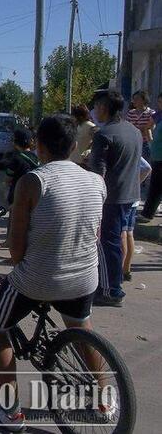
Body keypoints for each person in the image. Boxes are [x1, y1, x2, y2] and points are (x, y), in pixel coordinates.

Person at [0, 115, 107, 430]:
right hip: (86, 276)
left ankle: (9, 412)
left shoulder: (33, 181)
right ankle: (105, 398)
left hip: (39, 279)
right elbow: (94, 234)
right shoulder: (96, 181)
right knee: (81, 329)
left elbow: (16, 250)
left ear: (40, 146)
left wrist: (22, 259)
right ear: (74, 146)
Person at [89, 90, 142, 307]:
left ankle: (111, 290)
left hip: (111, 198)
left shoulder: (104, 135)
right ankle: (113, 282)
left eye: (97, 107)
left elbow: (98, 174)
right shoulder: (133, 131)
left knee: (107, 243)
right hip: (130, 195)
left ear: (104, 108)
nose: (95, 111)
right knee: (117, 241)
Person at [121, 157, 152, 282]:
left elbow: (147, 168)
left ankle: (119, 272)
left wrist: (132, 185)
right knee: (129, 234)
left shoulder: (126, 148)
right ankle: (126, 270)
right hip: (133, 197)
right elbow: (147, 168)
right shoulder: (134, 147)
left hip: (124, 196)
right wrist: (135, 185)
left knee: (122, 234)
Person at [139, 92, 162, 223]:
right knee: (156, 185)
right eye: (159, 102)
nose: (159, 105)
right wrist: (151, 140)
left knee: (156, 186)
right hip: (157, 155)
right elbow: (147, 127)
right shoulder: (158, 115)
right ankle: (148, 212)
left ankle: (148, 213)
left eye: (161, 102)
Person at [125, 90, 155, 162]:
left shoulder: (151, 113)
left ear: (143, 100)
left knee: (147, 165)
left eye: (136, 99)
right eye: (133, 99)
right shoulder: (130, 113)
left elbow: (151, 129)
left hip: (146, 144)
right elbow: (127, 128)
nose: (134, 101)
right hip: (133, 143)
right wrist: (141, 129)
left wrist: (140, 129)